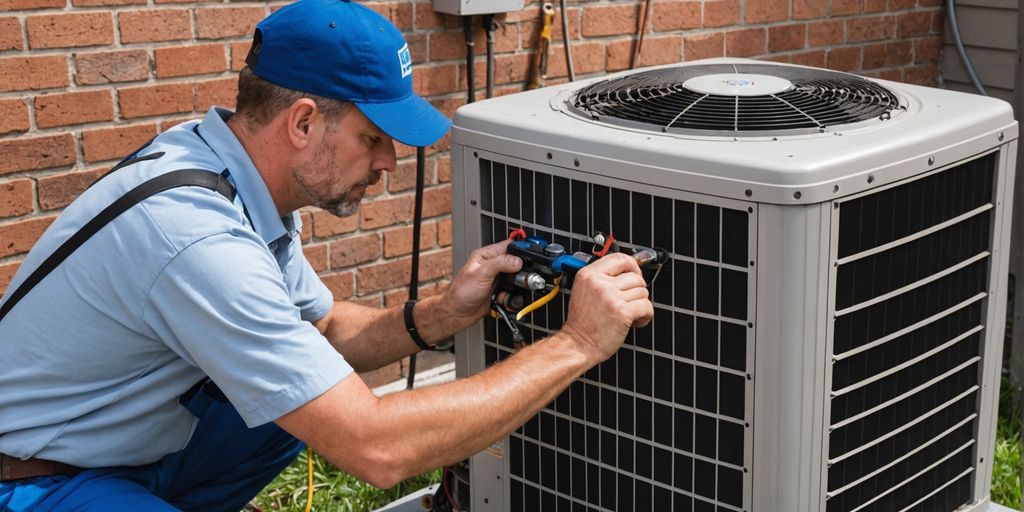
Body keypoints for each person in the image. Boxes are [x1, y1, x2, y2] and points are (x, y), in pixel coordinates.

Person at [0, 0, 653, 510]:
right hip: (32, 480)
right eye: (373, 138)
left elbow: (324, 332)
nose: (389, 163)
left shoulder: (228, 168)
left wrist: (447, 311)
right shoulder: (195, 237)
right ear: (304, 122)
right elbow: (376, 450)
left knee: (299, 390)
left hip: (109, 451)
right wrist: (579, 342)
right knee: (327, 412)